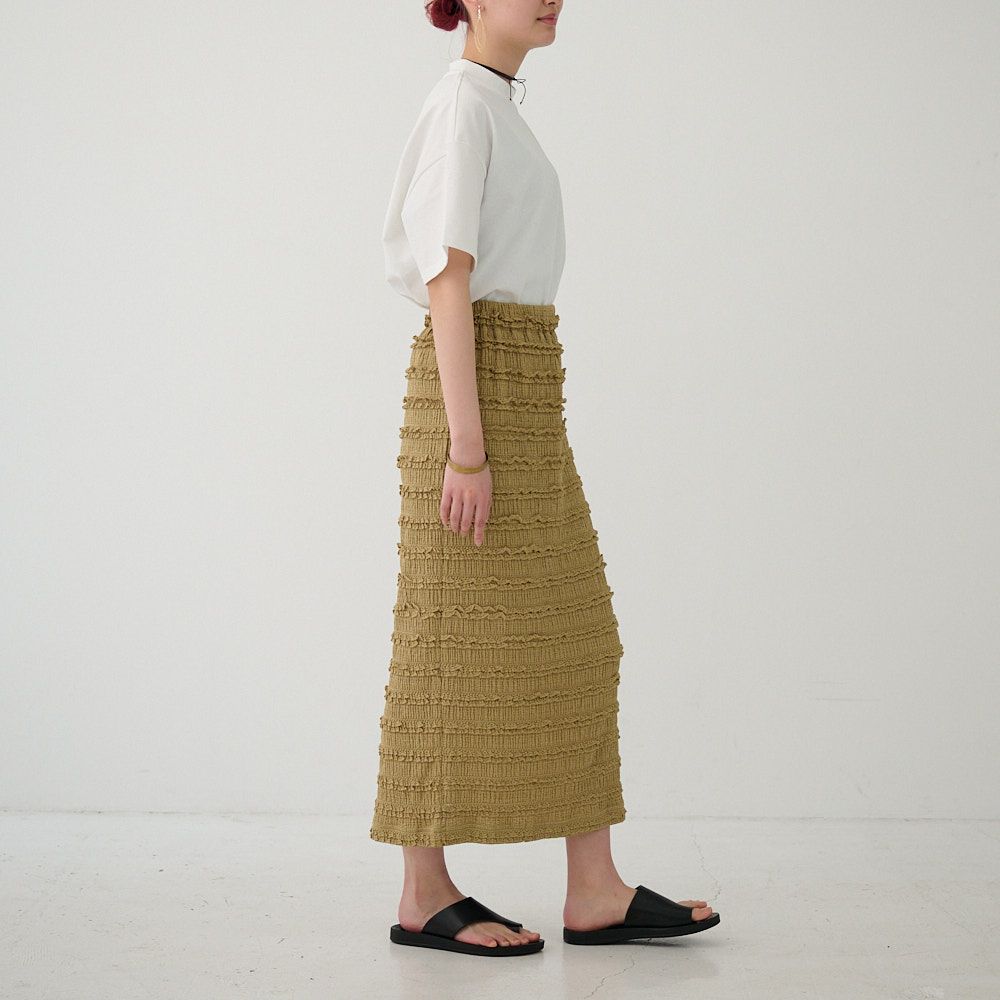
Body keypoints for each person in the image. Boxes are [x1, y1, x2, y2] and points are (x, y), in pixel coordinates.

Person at [371, 0, 720, 957]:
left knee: (576, 636)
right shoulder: (461, 105)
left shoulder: (495, 104)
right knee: (444, 642)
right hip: (476, 401)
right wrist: (467, 448)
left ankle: (594, 889)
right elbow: (447, 279)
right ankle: (423, 891)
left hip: (520, 391)